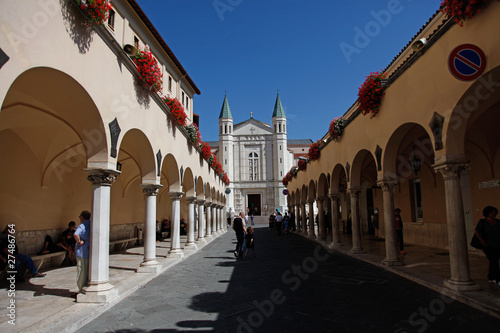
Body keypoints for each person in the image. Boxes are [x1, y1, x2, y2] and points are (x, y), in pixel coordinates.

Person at [474, 206, 500, 285]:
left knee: (494, 261)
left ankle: (491, 277)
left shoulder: (498, 222)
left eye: (494, 212)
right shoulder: (483, 222)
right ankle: (498, 279)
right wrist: (482, 241)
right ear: (488, 213)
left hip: (498, 244)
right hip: (487, 245)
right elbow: (477, 232)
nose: (493, 214)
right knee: (493, 260)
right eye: (492, 212)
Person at [74, 210, 91, 294]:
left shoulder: (82, 225)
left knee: (81, 271)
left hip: (81, 251)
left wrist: (78, 242)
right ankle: (86, 286)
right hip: (89, 251)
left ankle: (81, 289)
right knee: (87, 271)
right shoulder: (91, 224)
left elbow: (76, 234)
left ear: (82, 217)